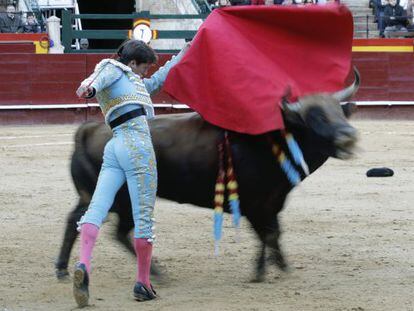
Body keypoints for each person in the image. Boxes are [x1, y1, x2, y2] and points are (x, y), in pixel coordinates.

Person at [73, 39, 190, 308]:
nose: (145, 73)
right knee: (143, 216)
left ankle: (83, 265)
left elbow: (161, 76)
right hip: (137, 146)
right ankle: (143, 283)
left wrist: (185, 50)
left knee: (96, 208)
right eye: (143, 67)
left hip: (114, 146)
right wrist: (88, 88)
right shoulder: (114, 68)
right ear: (133, 62)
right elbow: (97, 78)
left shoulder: (136, 83)